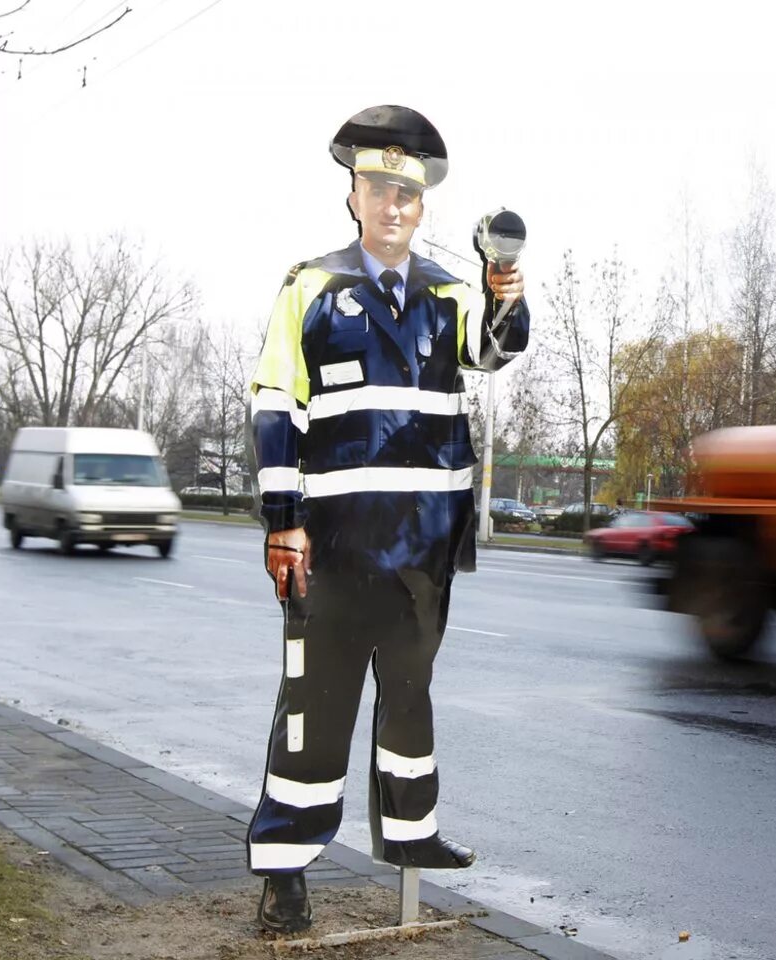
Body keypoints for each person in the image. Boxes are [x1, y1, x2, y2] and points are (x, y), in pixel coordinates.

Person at [243, 104, 529, 934]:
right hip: (333, 544)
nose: (393, 204)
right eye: (378, 187)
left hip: (425, 549)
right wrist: (281, 520)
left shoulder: (448, 292)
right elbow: (273, 403)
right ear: (354, 196)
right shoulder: (312, 288)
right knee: (316, 706)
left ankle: (414, 833)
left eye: (408, 192)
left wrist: (502, 282)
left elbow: (496, 348)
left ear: (423, 205)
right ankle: (286, 872)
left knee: (410, 696)